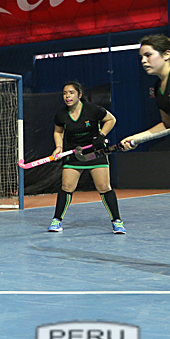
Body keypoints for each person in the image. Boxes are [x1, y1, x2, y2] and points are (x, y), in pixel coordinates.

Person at [48, 81, 123, 234]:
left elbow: (111, 120)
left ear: (79, 95)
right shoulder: (61, 115)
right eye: (64, 93)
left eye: (71, 93)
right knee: (66, 187)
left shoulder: (93, 110)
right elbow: (58, 132)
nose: (67, 96)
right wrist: (59, 147)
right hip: (74, 154)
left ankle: (117, 221)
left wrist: (101, 136)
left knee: (104, 187)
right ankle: (57, 220)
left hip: (95, 153)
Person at [120, 34, 170, 213]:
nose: (143, 60)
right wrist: (137, 138)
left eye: (148, 55)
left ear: (167, 54)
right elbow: (167, 124)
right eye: (141, 57)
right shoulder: (158, 88)